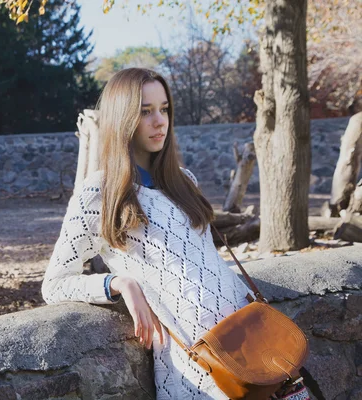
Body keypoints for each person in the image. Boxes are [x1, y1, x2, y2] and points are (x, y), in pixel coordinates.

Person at [41, 68, 253, 399]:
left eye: (164, 109)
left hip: (249, 342)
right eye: (145, 111)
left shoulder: (184, 180)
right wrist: (118, 284)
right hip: (196, 368)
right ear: (122, 118)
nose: (159, 121)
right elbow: (54, 284)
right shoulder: (99, 192)